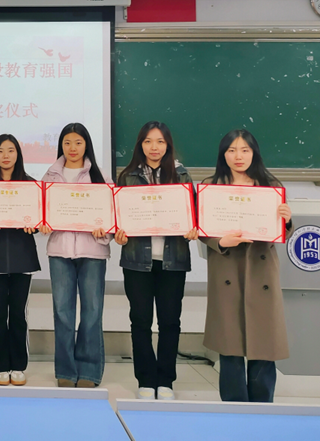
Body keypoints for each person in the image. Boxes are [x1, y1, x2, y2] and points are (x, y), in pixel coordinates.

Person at [201, 129, 293, 403]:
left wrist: (287, 220)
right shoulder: (211, 186)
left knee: (264, 341)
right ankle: (233, 407)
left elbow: (282, 232)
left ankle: (262, 406)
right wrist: (221, 241)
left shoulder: (270, 185)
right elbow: (201, 228)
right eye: (231, 150)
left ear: (254, 153)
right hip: (227, 268)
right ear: (223, 154)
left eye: (244, 150)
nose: (238, 156)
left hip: (260, 269)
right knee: (229, 342)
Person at [114, 121, 199, 401]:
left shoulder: (182, 176)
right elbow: (117, 218)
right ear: (140, 145)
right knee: (140, 321)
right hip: (137, 261)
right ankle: (145, 380)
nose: (154, 147)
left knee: (170, 322)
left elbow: (194, 216)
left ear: (168, 145)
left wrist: (193, 228)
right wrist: (118, 234)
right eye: (148, 141)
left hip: (173, 260)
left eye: (160, 142)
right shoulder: (127, 177)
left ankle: (166, 381)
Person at [38, 123, 110, 389]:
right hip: (59, 252)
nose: (72, 148)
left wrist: (103, 232)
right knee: (62, 313)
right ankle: (66, 370)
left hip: (93, 253)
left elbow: (111, 217)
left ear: (86, 144)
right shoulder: (49, 176)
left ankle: (89, 371)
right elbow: (40, 214)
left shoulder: (99, 177)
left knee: (92, 313)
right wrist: (42, 224)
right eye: (67, 142)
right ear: (61, 145)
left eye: (78, 142)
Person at [0, 134, 39, 387]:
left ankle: (18, 365)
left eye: (11, 150)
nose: (5, 155)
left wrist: (34, 225)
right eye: (0, 151)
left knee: (19, 315)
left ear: (18, 154)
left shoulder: (30, 185)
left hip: (23, 257)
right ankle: (1, 366)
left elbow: (38, 219)